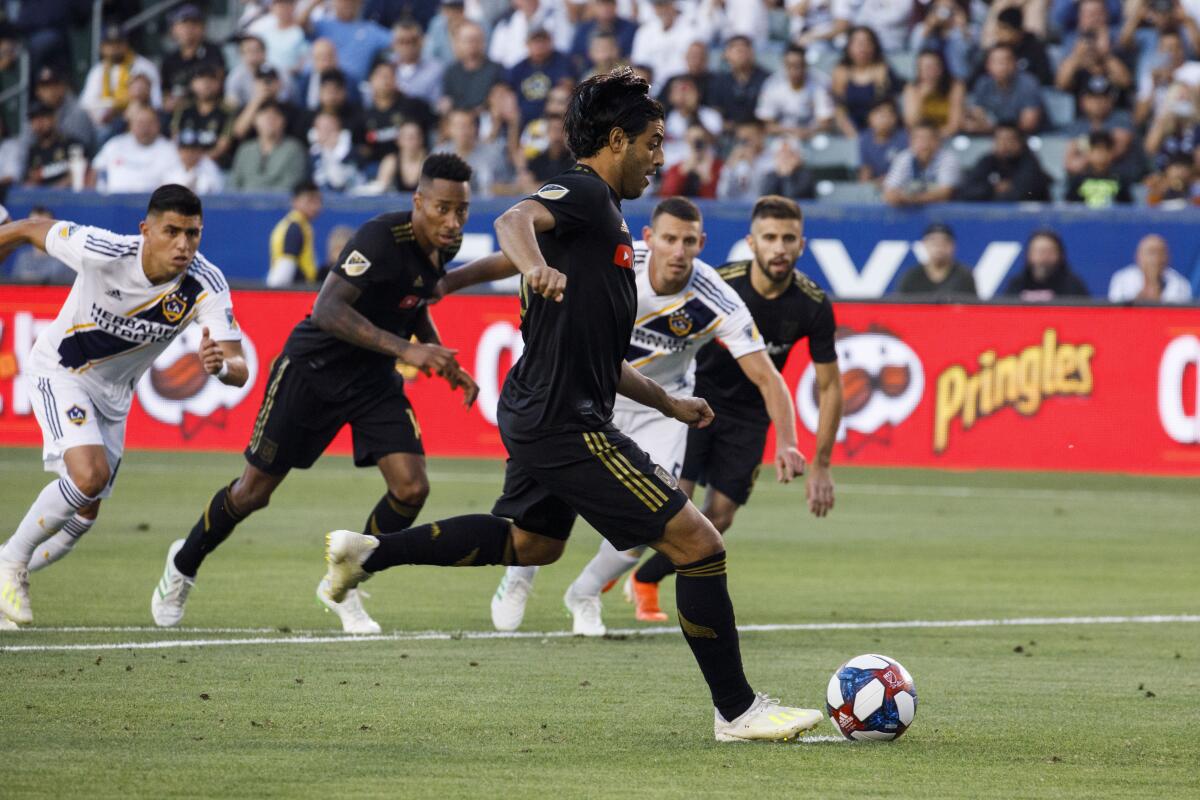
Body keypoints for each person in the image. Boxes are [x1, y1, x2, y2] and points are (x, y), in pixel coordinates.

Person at [318, 68, 825, 743]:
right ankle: (737, 711)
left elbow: (600, 355)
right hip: (565, 420)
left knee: (533, 542)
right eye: (651, 142)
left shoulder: (604, 222)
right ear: (616, 140)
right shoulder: (585, 193)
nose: (660, 156)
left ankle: (371, 554)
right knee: (699, 544)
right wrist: (530, 266)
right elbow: (512, 217)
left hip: (545, 405)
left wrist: (667, 401)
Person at [151, 154, 481, 633]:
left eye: (462, 212)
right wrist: (409, 352)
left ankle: (344, 584)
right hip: (311, 371)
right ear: (418, 202)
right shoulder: (379, 239)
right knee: (252, 493)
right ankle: (183, 563)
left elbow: (413, 301)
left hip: (371, 380)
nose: (453, 223)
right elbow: (327, 309)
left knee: (412, 487)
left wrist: (436, 354)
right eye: (443, 209)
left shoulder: (440, 250)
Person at [476, 196, 807, 634]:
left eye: (689, 241)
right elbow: (522, 258)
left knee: (657, 517)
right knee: (551, 499)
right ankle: (519, 576)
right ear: (650, 238)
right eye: (669, 238)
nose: (679, 250)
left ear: (701, 244)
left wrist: (787, 441)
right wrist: (457, 280)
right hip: (588, 392)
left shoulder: (717, 300)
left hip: (662, 409)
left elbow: (768, 377)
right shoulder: (617, 262)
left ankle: (586, 591)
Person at [0, 185, 247, 627]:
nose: (183, 245)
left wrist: (220, 368)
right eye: (171, 231)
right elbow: (31, 228)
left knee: (87, 509)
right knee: (88, 476)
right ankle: (11, 564)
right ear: (145, 230)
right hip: (62, 370)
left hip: (115, 397)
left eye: (193, 234)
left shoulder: (204, 284)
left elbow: (238, 366)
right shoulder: (102, 250)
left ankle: (4, 566)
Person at [617, 195, 842, 622]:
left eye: (788, 238)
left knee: (720, 515)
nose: (779, 247)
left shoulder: (812, 305)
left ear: (802, 245)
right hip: (696, 399)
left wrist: (820, 463)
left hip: (750, 415)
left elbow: (830, 386)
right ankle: (607, 576)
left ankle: (645, 579)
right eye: (769, 237)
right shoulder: (721, 285)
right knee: (672, 500)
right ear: (751, 242)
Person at [80, 25, 163, 130]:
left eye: (118, 43)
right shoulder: (98, 70)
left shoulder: (144, 66)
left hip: (138, 121)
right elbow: (86, 103)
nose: (114, 48)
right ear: (102, 47)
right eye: (109, 44)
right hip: (104, 123)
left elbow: (157, 103)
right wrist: (113, 105)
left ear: (126, 44)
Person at [89, 105, 184, 194]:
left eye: (150, 123)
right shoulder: (115, 145)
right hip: (114, 204)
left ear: (158, 125)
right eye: (140, 123)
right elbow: (95, 170)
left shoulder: (169, 150)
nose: (145, 128)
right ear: (131, 125)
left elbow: (174, 186)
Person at [755, 44, 835, 140]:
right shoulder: (772, 84)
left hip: (814, 137)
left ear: (806, 65)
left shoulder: (821, 82)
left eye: (799, 66)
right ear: (784, 65)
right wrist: (791, 131)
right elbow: (767, 123)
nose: (794, 71)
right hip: (781, 138)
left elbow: (826, 122)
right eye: (790, 66)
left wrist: (808, 132)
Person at [956, 122, 1051, 202]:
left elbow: (1020, 195)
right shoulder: (987, 161)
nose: (1004, 144)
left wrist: (988, 193)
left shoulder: (1030, 163)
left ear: (1020, 142)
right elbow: (967, 191)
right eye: (999, 139)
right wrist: (993, 188)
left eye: (1009, 139)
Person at [228, 101, 309, 191]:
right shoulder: (245, 149)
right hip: (244, 202)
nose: (270, 121)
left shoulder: (294, 149)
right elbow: (234, 183)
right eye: (265, 116)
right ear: (255, 121)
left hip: (279, 202)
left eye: (274, 117)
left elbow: (292, 184)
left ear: (283, 121)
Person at [160, 4, 228, 112]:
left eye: (194, 24)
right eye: (184, 24)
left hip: (208, 108)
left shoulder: (213, 52)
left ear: (203, 28)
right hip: (178, 111)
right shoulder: (169, 59)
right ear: (173, 29)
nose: (189, 29)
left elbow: (218, 84)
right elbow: (165, 92)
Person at [964, 44, 1043, 136]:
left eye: (1007, 60)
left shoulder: (1029, 83)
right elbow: (976, 117)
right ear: (988, 65)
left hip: (1024, 138)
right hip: (992, 137)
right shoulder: (983, 83)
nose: (1002, 66)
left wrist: (991, 129)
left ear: (1015, 63)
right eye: (996, 62)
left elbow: (1028, 125)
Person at [882, 121, 960, 206]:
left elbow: (945, 194)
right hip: (910, 211)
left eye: (929, 138)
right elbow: (889, 191)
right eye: (919, 138)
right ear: (911, 142)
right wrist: (897, 197)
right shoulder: (904, 158)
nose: (924, 143)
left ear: (938, 141)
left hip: (945, 214)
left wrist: (910, 199)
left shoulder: (948, 159)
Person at [1001, 230, 1090, 301]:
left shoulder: (1073, 285)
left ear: (1060, 255)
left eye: (1049, 252)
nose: (1044, 257)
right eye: (1039, 251)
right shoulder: (1017, 284)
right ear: (1028, 255)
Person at [893, 222, 976, 297]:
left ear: (953, 246)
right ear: (924, 244)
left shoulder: (964, 276)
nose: (939, 247)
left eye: (944, 242)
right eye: (934, 242)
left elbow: (973, 307)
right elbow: (899, 306)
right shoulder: (912, 276)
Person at [707, 35, 770, 129]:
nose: (741, 53)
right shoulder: (719, 82)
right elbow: (714, 113)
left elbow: (769, 116)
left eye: (744, 49)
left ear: (752, 52)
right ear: (726, 54)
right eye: (736, 50)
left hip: (759, 132)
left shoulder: (767, 80)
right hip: (728, 133)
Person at [1107, 234, 1193, 303]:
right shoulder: (1122, 279)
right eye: (1151, 252)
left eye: (1161, 253)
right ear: (1138, 257)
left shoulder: (1180, 283)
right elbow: (1116, 313)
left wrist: (1156, 287)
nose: (1156, 258)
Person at [268, 180, 323, 286]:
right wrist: (277, 292)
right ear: (295, 201)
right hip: (295, 290)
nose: (316, 206)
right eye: (310, 200)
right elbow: (286, 264)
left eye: (318, 201)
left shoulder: (300, 225)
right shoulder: (295, 229)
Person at [902, 49, 964, 139]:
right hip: (921, 138)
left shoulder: (955, 86)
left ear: (941, 67)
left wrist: (933, 138)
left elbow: (955, 124)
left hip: (947, 137)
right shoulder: (912, 88)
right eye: (924, 67)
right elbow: (911, 122)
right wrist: (922, 96)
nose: (928, 71)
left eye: (932, 66)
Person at [1064, 130, 1132, 207]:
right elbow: (1069, 207)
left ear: (1111, 153)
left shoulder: (1120, 180)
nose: (1101, 155)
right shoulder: (1078, 180)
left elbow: (1127, 208)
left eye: (1105, 150)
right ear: (1088, 153)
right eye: (1097, 150)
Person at [857, 98, 908, 183]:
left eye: (890, 114)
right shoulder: (864, 139)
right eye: (880, 114)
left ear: (896, 118)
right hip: (874, 186)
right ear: (870, 117)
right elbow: (865, 172)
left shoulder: (904, 138)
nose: (885, 118)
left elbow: (905, 171)